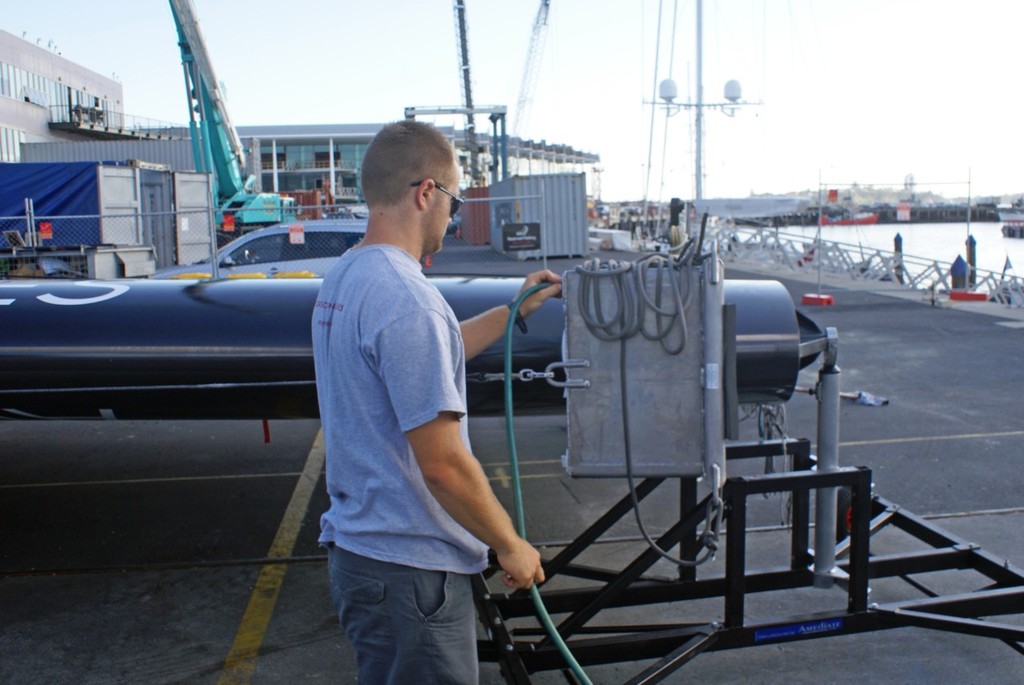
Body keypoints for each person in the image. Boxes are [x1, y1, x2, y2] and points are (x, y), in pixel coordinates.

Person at [311, 120, 562, 684]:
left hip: (364, 558)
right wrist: (510, 545)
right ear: (426, 192)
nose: (452, 217)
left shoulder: (346, 277)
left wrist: (514, 310)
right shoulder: (407, 299)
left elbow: (424, 355)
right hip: (412, 574)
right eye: (453, 199)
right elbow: (444, 465)